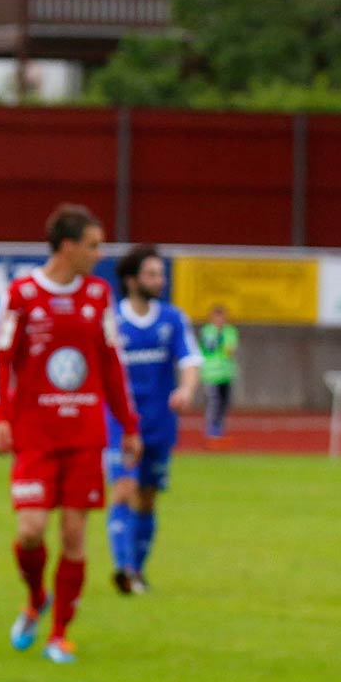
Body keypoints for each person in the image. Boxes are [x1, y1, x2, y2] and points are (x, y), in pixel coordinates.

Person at [0, 204, 140, 665]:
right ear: (67, 247)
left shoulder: (98, 294)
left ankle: (60, 635)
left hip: (85, 433)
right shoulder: (22, 294)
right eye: (93, 245)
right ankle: (36, 598)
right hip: (35, 433)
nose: (100, 253)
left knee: (74, 535)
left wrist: (128, 425)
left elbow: (112, 363)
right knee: (31, 530)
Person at [104, 246, 199, 595]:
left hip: (159, 421)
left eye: (161, 274)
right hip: (119, 420)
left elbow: (190, 359)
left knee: (147, 498)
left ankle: (137, 571)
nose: (161, 280)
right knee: (124, 489)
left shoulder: (173, 319)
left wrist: (187, 390)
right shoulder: (111, 320)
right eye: (152, 274)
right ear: (131, 280)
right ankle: (123, 569)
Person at [198, 305, 239, 445]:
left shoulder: (230, 331)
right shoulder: (207, 331)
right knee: (213, 403)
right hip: (211, 374)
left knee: (224, 403)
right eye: (217, 317)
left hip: (226, 373)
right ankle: (211, 431)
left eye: (222, 317)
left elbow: (231, 350)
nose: (220, 320)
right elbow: (211, 347)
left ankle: (219, 430)